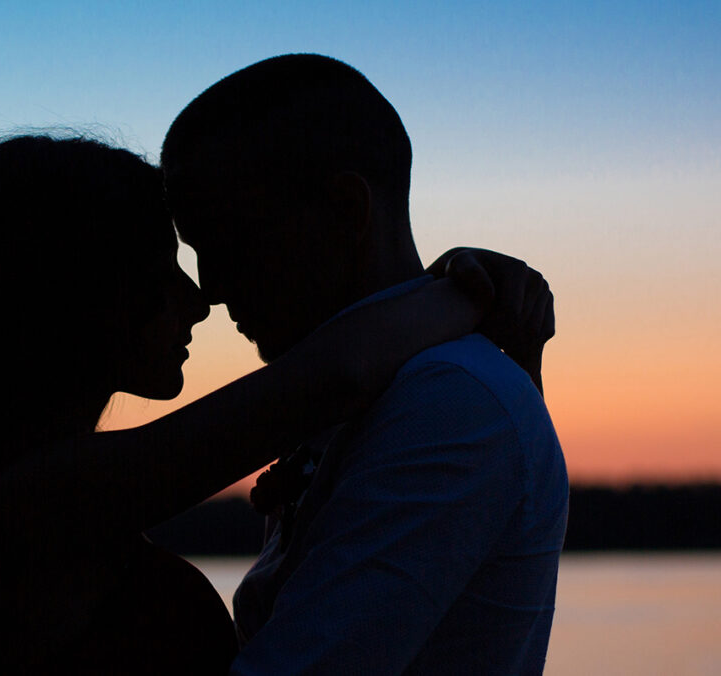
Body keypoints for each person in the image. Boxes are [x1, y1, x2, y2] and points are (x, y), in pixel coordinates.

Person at [0, 134, 552, 674]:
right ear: (78, 290)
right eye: (160, 267)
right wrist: (467, 293)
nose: (198, 299)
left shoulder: (36, 496)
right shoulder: (37, 503)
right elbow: (339, 372)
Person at [160, 54, 569, 675]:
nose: (210, 289)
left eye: (230, 243)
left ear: (347, 211)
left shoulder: (449, 404)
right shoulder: (372, 395)